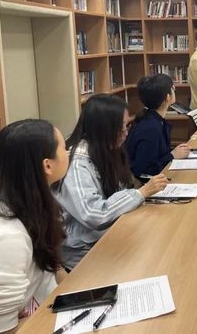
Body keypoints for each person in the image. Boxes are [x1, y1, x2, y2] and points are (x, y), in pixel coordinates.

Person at [0, 119, 68, 334]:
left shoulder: (29, 205)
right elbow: (3, 331)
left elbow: (51, 267)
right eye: (64, 147)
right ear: (47, 165)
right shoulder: (5, 239)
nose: (68, 152)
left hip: (37, 309)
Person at [54, 94, 168, 270]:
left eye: (127, 126)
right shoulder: (77, 163)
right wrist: (140, 193)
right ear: (104, 128)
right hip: (83, 251)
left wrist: (139, 194)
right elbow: (94, 214)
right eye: (122, 128)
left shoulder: (104, 148)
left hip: (106, 233)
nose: (126, 133)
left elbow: (120, 188)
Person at [126, 74, 190, 181]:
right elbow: (144, 171)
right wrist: (172, 155)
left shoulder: (153, 119)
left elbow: (157, 155)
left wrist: (174, 152)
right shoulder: (150, 128)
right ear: (167, 97)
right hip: (145, 184)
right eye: (173, 88)